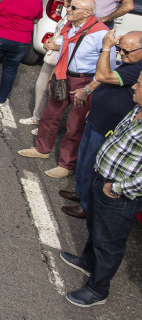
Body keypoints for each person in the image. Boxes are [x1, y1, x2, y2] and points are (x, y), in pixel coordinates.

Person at [58, 76, 142, 308]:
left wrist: (116, 188)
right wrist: (99, 162)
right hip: (102, 178)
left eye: (140, 84)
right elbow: (117, 136)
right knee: (95, 225)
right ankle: (87, 261)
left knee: (109, 243)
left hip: (118, 194)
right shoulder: (137, 109)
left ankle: (97, 290)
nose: (134, 86)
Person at [18, 0, 114, 178]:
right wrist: (55, 75)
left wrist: (89, 89)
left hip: (85, 81)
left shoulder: (101, 33)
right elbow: (64, 52)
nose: (67, 9)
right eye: (69, 6)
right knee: (50, 115)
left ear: (87, 13)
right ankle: (42, 148)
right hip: (63, 75)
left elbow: (107, 68)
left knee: (75, 125)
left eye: (73, 7)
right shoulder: (70, 27)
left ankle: (66, 165)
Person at [60, 30, 142, 221]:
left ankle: (87, 207)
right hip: (97, 118)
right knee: (83, 161)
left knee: (91, 166)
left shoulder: (137, 69)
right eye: (119, 49)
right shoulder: (131, 62)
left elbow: (103, 75)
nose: (121, 54)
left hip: (108, 127)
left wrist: (106, 48)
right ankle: (81, 193)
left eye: (126, 51)